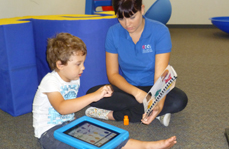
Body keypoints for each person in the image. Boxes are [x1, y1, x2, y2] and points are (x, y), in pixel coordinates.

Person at [32, 33, 177, 149]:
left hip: (69, 125)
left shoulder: (74, 77)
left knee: (108, 137)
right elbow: (62, 108)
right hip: (48, 132)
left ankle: (147, 146)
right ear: (60, 65)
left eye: (83, 63)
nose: (83, 68)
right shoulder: (49, 81)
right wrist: (93, 96)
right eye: (78, 64)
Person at [85, 0, 188, 127]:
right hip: (129, 89)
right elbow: (113, 74)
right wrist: (137, 93)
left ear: (142, 9)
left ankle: (112, 115)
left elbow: (161, 76)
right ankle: (152, 113)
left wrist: (158, 104)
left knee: (179, 100)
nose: (127, 24)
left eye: (132, 17)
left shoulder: (160, 31)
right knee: (92, 94)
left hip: (154, 87)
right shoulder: (113, 33)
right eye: (121, 18)